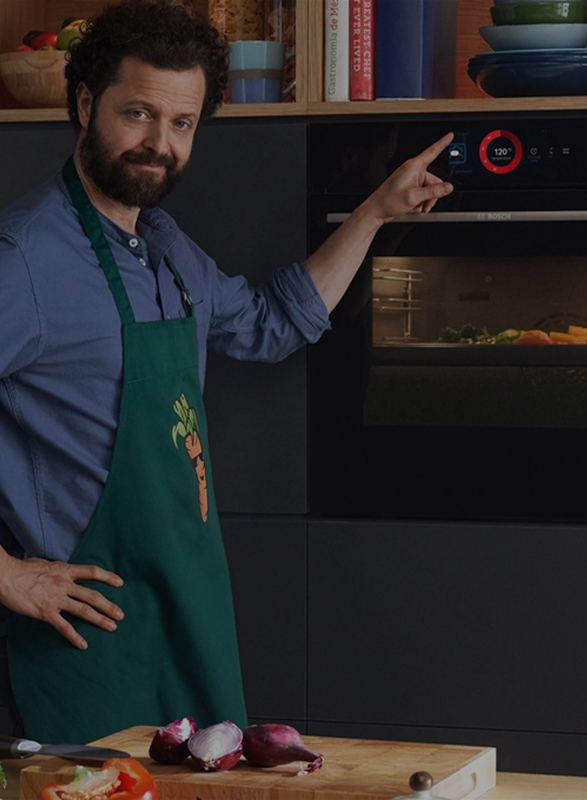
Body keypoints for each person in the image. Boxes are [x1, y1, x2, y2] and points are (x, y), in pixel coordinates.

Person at [0, 0, 453, 743]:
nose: (159, 144)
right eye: (138, 114)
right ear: (85, 104)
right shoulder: (23, 260)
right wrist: (9, 576)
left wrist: (374, 212)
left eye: (182, 124)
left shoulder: (168, 250)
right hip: (89, 636)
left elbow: (274, 323)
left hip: (189, 610)